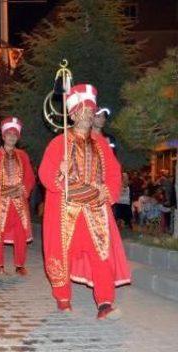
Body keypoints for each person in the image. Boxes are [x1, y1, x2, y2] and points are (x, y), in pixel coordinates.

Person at [39, 84, 130, 320]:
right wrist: (59, 172)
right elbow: (45, 173)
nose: (87, 115)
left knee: (102, 255)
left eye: (91, 111)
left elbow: (113, 173)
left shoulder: (101, 144)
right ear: (71, 114)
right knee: (61, 254)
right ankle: (63, 298)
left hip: (95, 210)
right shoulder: (59, 143)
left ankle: (105, 304)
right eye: (82, 110)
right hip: (66, 210)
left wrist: (107, 193)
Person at [0, 117, 35, 275]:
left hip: (18, 200)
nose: (12, 136)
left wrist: (24, 190)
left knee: (20, 232)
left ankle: (19, 265)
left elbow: (30, 177)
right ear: (3, 136)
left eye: (15, 134)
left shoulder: (23, 155)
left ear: (18, 137)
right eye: (9, 134)